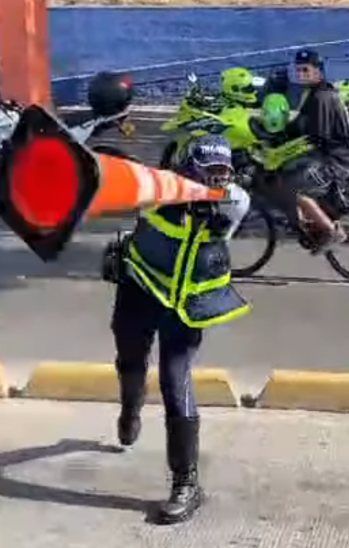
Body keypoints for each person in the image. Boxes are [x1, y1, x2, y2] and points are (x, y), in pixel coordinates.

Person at [104, 134, 251, 525]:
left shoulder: (233, 200)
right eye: (209, 172)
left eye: (224, 172)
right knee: (130, 358)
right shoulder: (158, 190)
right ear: (188, 169)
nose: (218, 180)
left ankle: (186, 483)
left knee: (175, 381)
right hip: (139, 288)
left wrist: (209, 199)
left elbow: (234, 203)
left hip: (185, 305)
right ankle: (130, 409)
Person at [265, 49, 349, 252]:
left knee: (293, 188)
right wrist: (278, 135)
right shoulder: (315, 93)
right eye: (299, 71)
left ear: (318, 70)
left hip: (335, 162)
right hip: (328, 157)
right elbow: (300, 125)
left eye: (306, 70)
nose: (302, 75)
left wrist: (284, 148)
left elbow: (316, 137)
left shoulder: (322, 97)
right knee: (286, 173)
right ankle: (313, 223)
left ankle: (331, 231)